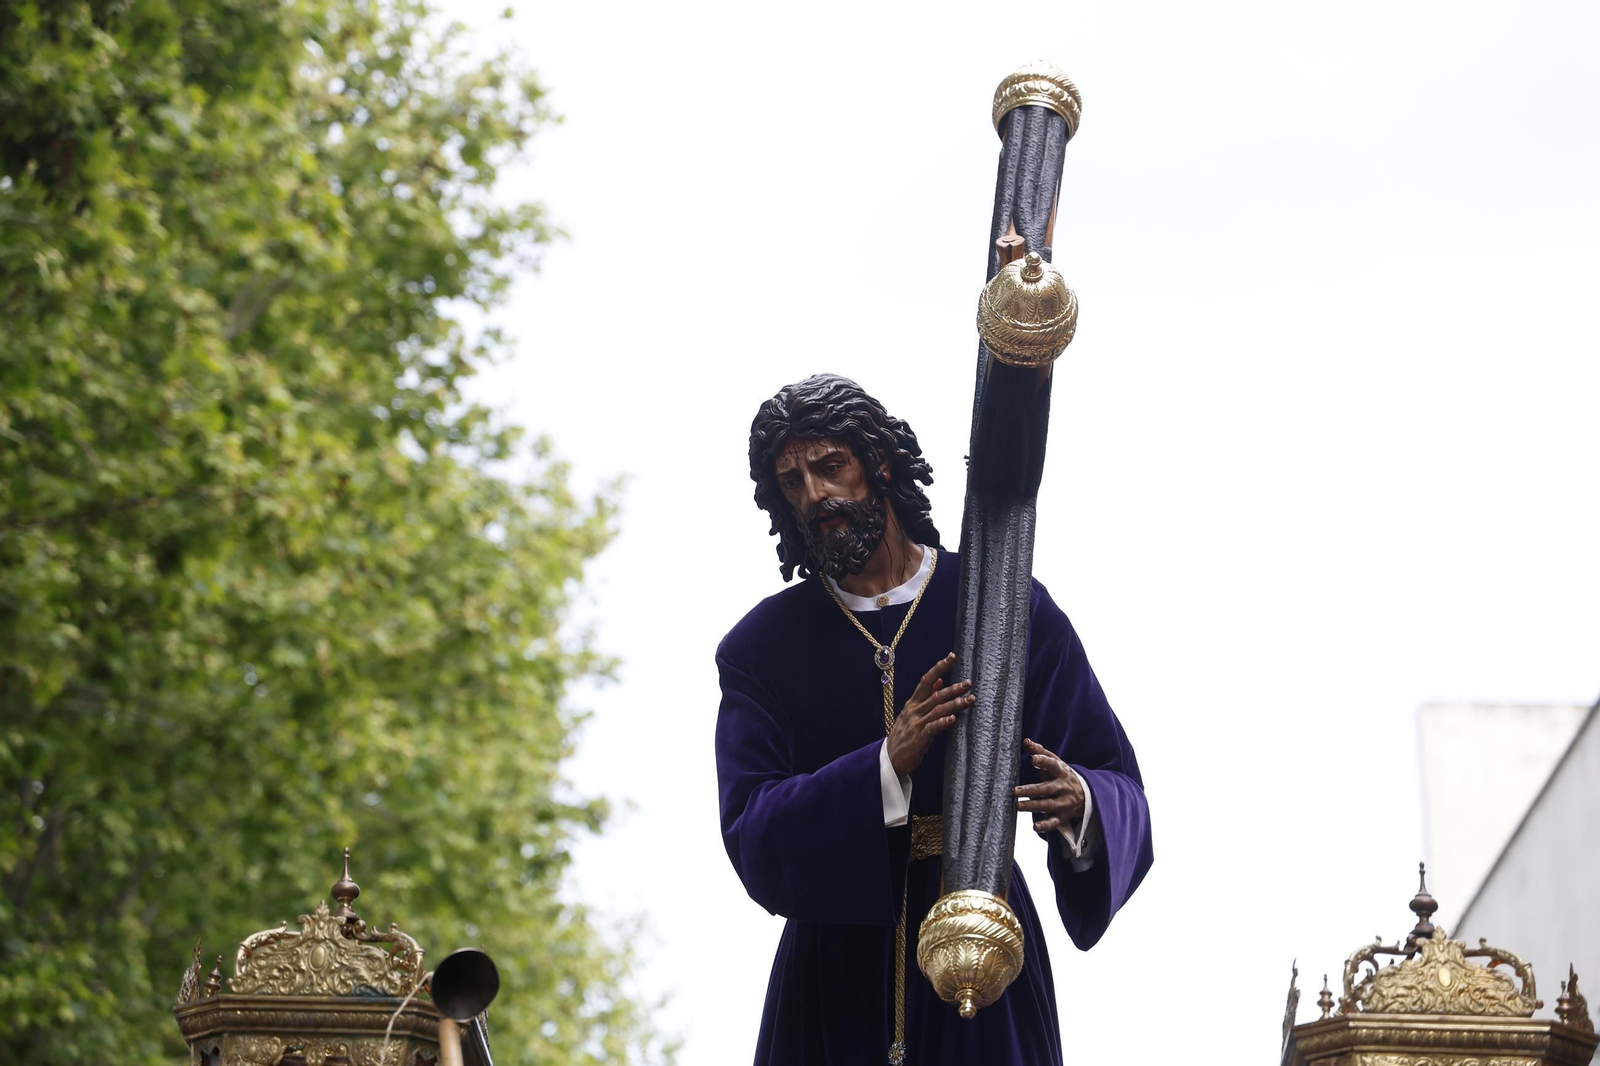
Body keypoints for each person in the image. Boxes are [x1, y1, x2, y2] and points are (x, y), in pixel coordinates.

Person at [715, 373, 1153, 1066]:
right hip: (833, 980)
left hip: (982, 943)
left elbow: (1115, 780)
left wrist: (1083, 804)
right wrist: (883, 768)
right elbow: (752, 831)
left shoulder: (1004, 606)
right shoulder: (763, 649)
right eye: (792, 481)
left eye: (832, 466)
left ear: (880, 461)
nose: (816, 496)